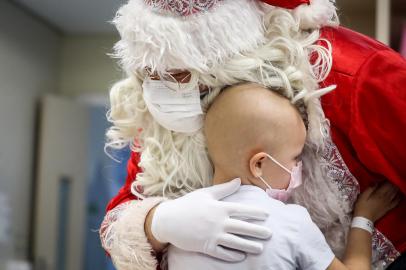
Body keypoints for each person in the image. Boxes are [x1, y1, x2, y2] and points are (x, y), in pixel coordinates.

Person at [99, 0, 406, 269]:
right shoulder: (159, 114)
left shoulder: (355, 75)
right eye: (147, 74)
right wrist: (157, 222)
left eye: (179, 76)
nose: (159, 89)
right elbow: (121, 217)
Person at [168, 82, 401, 270]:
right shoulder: (292, 222)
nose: (299, 166)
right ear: (258, 164)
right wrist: (364, 217)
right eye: (295, 157)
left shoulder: (180, 225)